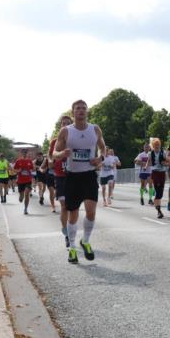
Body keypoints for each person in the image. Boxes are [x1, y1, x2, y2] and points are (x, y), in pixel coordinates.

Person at [53, 101, 107, 263]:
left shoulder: (95, 129)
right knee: (73, 214)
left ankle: (86, 241)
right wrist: (62, 153)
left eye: (84, 108)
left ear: (87, 111)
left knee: (91, 211)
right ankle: (72, 247)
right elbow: (54, 153)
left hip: (89, 176)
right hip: (72, 177)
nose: (81, 111)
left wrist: (100, 158)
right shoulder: (65, 131)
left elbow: (102, 147)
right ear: (73, 112)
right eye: (78, 109)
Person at [49, 114, 74, 245]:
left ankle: (70, 230)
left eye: (67, 123)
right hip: (60, 177)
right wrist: (51, 161)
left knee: (72, 207)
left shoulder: (76, 139)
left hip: (74, 176)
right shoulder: (54, 141)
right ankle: (67, 232)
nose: (65, 125)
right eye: (63, 123)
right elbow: (50, 157)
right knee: (64, 206)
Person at [146, 138, 168, 219]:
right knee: (158, 192)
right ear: (153, 146)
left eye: (158, 145)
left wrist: (166, 163)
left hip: (162, 172)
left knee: (160, 193)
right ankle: (159, 211)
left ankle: (156, 202)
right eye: (155, 145)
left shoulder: (164, 152)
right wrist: (146, 166)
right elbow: (149, 161)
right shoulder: (150, 153)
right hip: (155, 172)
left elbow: (167, 161)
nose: (157, 147)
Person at [14, 148, 36, 214]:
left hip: (28, 180)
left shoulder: (30, 161)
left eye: (26, 152)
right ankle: (21, 196)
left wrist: (31, 170)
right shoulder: (18, 161)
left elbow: (33, 169)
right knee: (21, 197)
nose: (25, 153)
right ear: (21, 153)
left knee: (27, 194)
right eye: (24, 152)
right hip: (20, 181)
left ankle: (25, 209)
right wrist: (19, 170)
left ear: (27, 153)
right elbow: (14, 170)